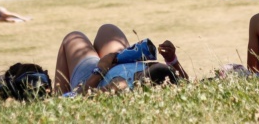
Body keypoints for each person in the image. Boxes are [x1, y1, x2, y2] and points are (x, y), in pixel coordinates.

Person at [53, 24, 188, 95]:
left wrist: (100, 69)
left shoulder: (120, 85)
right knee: (108, 29)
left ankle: (58, 103)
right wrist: (172, 61)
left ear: (143, 82)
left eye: (140, 74)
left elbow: (81, 96)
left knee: (72, 38)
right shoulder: (166, 80)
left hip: (95, 76)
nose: (141, 70)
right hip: (118, 63)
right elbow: (185, 83)